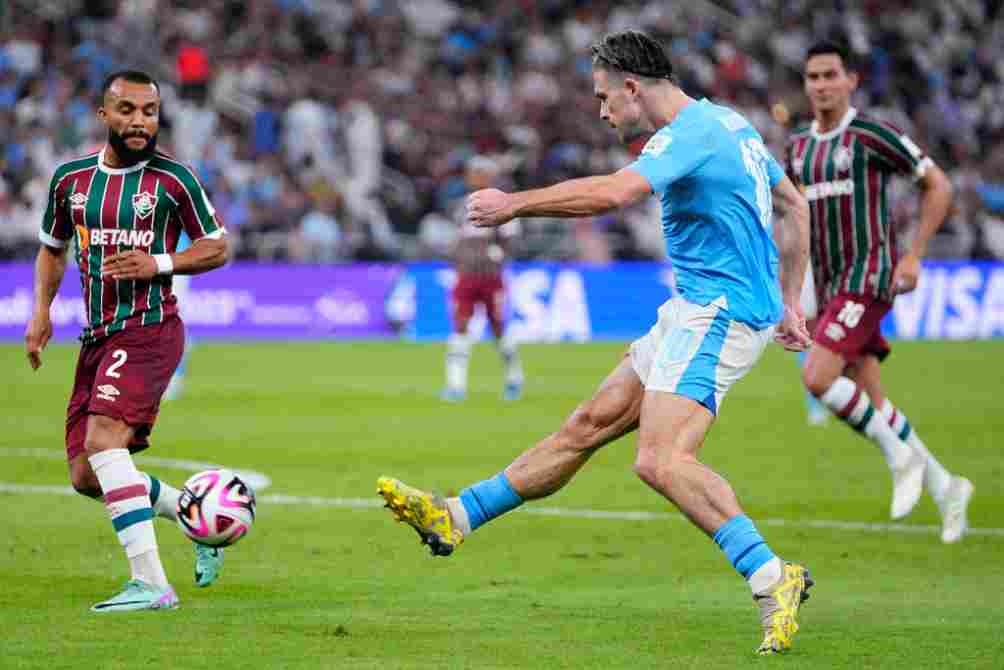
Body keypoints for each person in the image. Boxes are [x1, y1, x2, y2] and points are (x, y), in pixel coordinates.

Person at [378, 31, 815, 655]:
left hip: (718, 315)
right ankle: (459, 515)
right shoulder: (730, 124)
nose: (602, 110)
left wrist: (513, 206)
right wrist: (791, 301)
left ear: (634, 88)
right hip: (694, 310)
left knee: (660, 460)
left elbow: (613, 194)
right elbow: (793, 204)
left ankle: (774, 577)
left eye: (605, 97)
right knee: (587, 424)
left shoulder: (685, 136)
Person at [24, 70, 229, 612]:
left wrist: (158, 262)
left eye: (149, 111)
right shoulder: (70, 181)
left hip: (149, 328)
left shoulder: (173, 180)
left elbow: (217, 246)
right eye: (127, 110)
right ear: (104, 115)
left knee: (104, 441)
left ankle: (152, 584)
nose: (140, 122)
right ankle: (197, 519)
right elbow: (52, 248)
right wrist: (41, 312)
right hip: (97, 336)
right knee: (87, 475)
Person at [789, 42, 973, 543]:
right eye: (812, 76)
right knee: (871, 398)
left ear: (851, 80)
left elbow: (938, 185)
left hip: (869, 276)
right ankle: (947, 485)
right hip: (830, 287)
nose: (821, 85)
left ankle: (900, 460)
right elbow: (790, 217)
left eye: (831, 75)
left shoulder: (872, 135)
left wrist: (913, 254)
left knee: (817, 376)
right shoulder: (798, 148)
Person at [442, 155, 524, 402]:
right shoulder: (460, 206)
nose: (474, 177)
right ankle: (455, 386)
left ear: (491, 176)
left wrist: (497, 255)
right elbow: (458, 239)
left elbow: (510, 242)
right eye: (472, 172)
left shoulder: (503, 204)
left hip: (490, 278)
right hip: (466, 277)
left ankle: (514, 379)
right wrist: (456, 259)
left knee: (498, 327)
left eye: (480, 172)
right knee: (460, 325)